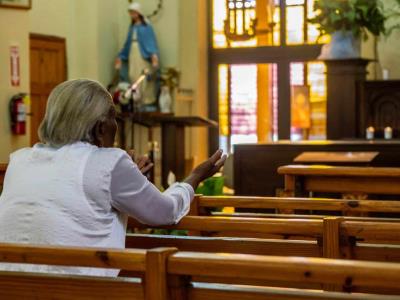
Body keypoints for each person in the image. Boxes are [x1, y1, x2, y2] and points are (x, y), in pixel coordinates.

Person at [0, 79, 226, 277]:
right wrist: (195, 177)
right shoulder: (109, 163)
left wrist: (127, 174)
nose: (115, 125)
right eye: (113, 117)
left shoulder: (19, 161)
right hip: (78, 290)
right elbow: (164, 212)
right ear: (100, 128)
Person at [116, 2, 159, 109]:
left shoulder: (146, 26)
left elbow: (150, 42)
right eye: (130, 12)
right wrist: (120, 57)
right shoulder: (132, 27)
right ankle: (135, 99)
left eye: (133, 12)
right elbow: (127, 44)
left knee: (143, 77)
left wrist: (153, 56)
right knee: (133, 75)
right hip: (133, 55)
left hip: (142, 56)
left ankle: (145, 100)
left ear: (138, 13)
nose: (131, 15)